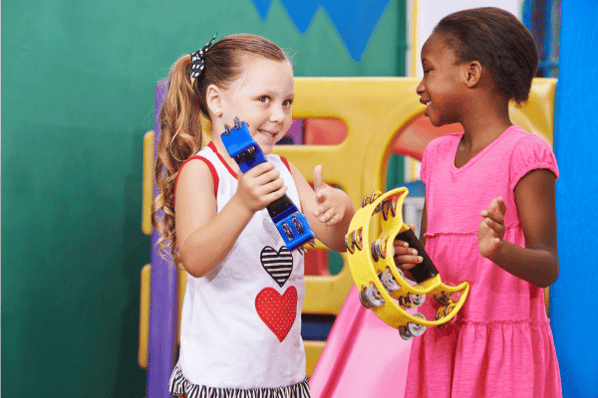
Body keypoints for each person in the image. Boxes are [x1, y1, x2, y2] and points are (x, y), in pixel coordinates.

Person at [152, 33, 355, 397]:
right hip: (219, 380)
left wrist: (340, 211)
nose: (280, 117)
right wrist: (243, 204)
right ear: (215, 100)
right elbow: (196, 259)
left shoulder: (284, 170)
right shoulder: (203, 171)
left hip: (282, 378)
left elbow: (338, 240)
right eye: (264, 99)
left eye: (287, 102)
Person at [393, 7, 562, 398]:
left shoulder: (525, 153)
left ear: (471, 73)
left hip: (502, 355)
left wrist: (498, 250)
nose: (420, 87)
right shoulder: (435, 156)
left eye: (429, 70)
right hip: (442, 341)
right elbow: (432, 265)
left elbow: (547, 265)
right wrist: (407, 257)